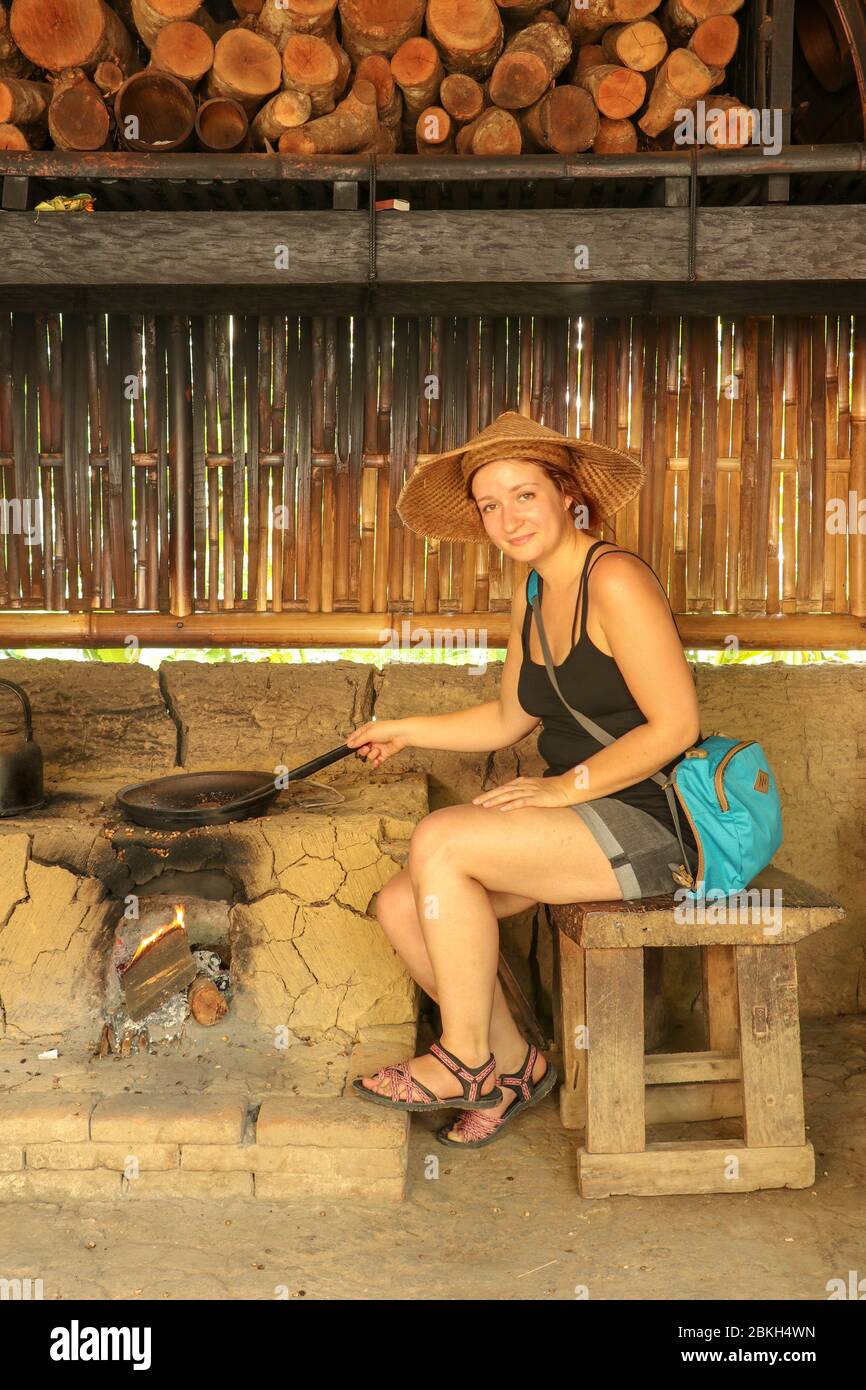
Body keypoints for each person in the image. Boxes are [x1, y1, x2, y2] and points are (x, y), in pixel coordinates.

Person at [345, 410, 702, 1149]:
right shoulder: (534, 595)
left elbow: (675, 727)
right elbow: (510, 718)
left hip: (651, 822)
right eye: (490, 504)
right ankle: (511, 1062)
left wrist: (562, 788)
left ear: (568, 494)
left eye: (524, 495)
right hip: (581, 825)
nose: (508, 518)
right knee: (402, 903)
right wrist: (404, 729)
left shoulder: (618, 581)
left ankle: (464, 1058)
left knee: (441, 839)